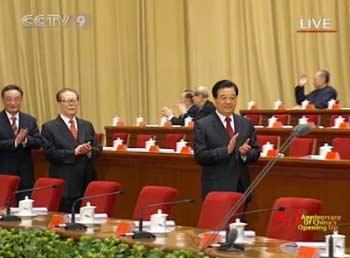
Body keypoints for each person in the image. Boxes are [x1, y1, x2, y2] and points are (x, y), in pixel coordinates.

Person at [194, 80, 260, 199]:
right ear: (216, 100)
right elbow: (200, 156)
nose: (228, 102)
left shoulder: (246, 123)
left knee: (240, 218)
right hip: (216, 188)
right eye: (224, 98)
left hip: (241, 188)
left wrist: (245, 153)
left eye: (232, 98)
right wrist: (226, 150)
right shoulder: (203, 125)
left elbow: (256, 152)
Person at [41, 88, 102, 212]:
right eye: (67, 101)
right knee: (68, 220)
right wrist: (74, 152)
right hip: (66, 182)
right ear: (59, 104)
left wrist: (89, 151)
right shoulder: (49, 127)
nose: (71, 104)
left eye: (74, 101)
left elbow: (97, 148)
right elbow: (49, 153)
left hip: (87, 180)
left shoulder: (86, 125)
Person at [0, 85, 42, 200]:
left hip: (25, 174)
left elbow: (39, 142)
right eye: (9, 99)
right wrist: (15, 142)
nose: (13, 103)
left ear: (21, 100)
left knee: (25, 206)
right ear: (3, 100)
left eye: (16, 99)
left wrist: (25, 140)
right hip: (3, 173)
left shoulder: (29, 120)